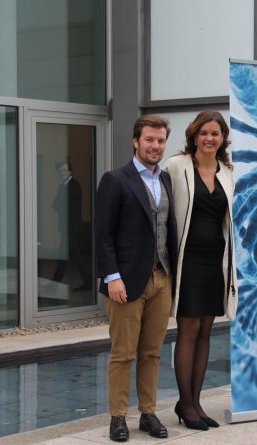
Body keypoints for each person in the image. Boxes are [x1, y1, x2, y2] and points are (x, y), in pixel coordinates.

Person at [95, 114, 177, 441]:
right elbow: (102, 234)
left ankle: (148, 413)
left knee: (152, 352)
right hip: (126, 281)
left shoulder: (166, 179)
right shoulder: (115, 180)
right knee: (123, 353)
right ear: (135, 142)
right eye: (149, 140)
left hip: (161, 278)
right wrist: (112, 277)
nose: (155, 146)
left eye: (160, 141)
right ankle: (117, 417)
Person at [165, 110, 237, 431]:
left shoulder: (228, 172)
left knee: (206, 331)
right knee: (189, 331)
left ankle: (194, 402)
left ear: (222, 139)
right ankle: (186, 403)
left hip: (215, 262)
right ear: (194, 136)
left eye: (215, 134)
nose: (209, 138)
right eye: (204, 133)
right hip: (188, 261)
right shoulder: (176, 166)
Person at [51, 161, 92, 290]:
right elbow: (55, 205)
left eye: (64, 170)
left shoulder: (74, 185)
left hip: (72, 227)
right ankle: (56, 281)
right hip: (66, 227)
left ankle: (56, 282)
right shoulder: (62, 186)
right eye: (60, 171)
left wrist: (61, 205)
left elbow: (65, 206)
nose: (62, 173)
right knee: (66, 255)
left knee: (72, 254)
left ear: (70, 171)